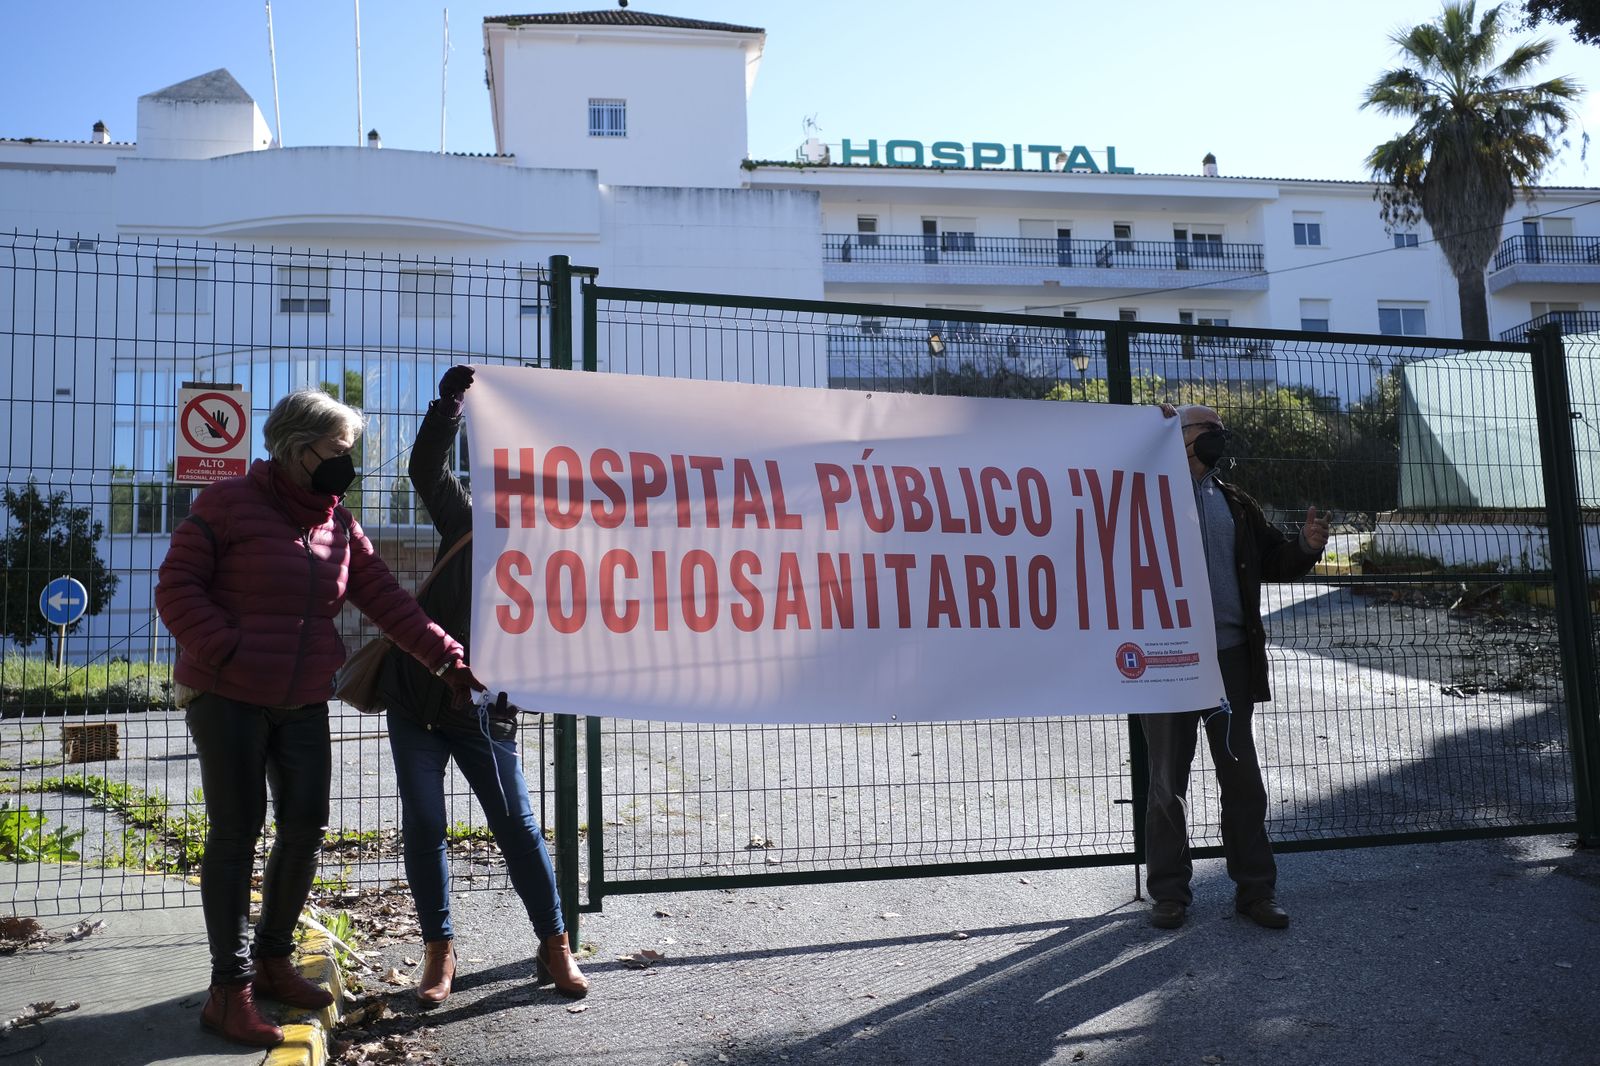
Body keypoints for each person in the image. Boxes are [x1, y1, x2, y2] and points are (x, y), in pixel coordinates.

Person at [156, 389, 484, 1048]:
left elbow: (389, 602)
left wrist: (448, 659)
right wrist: (227, 648)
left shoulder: (338, 523)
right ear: (296, 448)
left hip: (302, 696)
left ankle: (274, 960)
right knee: (236, 830)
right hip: (227, 696)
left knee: (305, 824)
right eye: (337, 452)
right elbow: (176, 588)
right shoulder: (227, 505)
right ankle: (229, 988)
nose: (347, 465)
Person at [376, 365, 589, 1004]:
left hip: (484, 714)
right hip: (417, 698)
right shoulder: (469, 521)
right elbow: (425, 473)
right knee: (424, 823)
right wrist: (447, 408)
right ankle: (439, 953)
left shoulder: (565, 551)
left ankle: (555, 946)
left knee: (518, 827)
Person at [1142, 403, 1329, 931]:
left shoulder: (1235, 503)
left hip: (1229, 661)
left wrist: (1305, 548)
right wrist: (1141, 427)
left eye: (1222, 430)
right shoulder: (1142, 494)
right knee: (1166, 782)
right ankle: (1170, 896)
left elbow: (1273, 560)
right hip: (1166, 661)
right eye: (1209, 431)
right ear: (1178, 438)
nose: (1220, 438)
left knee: (1242, 778)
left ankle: (1256, 893)